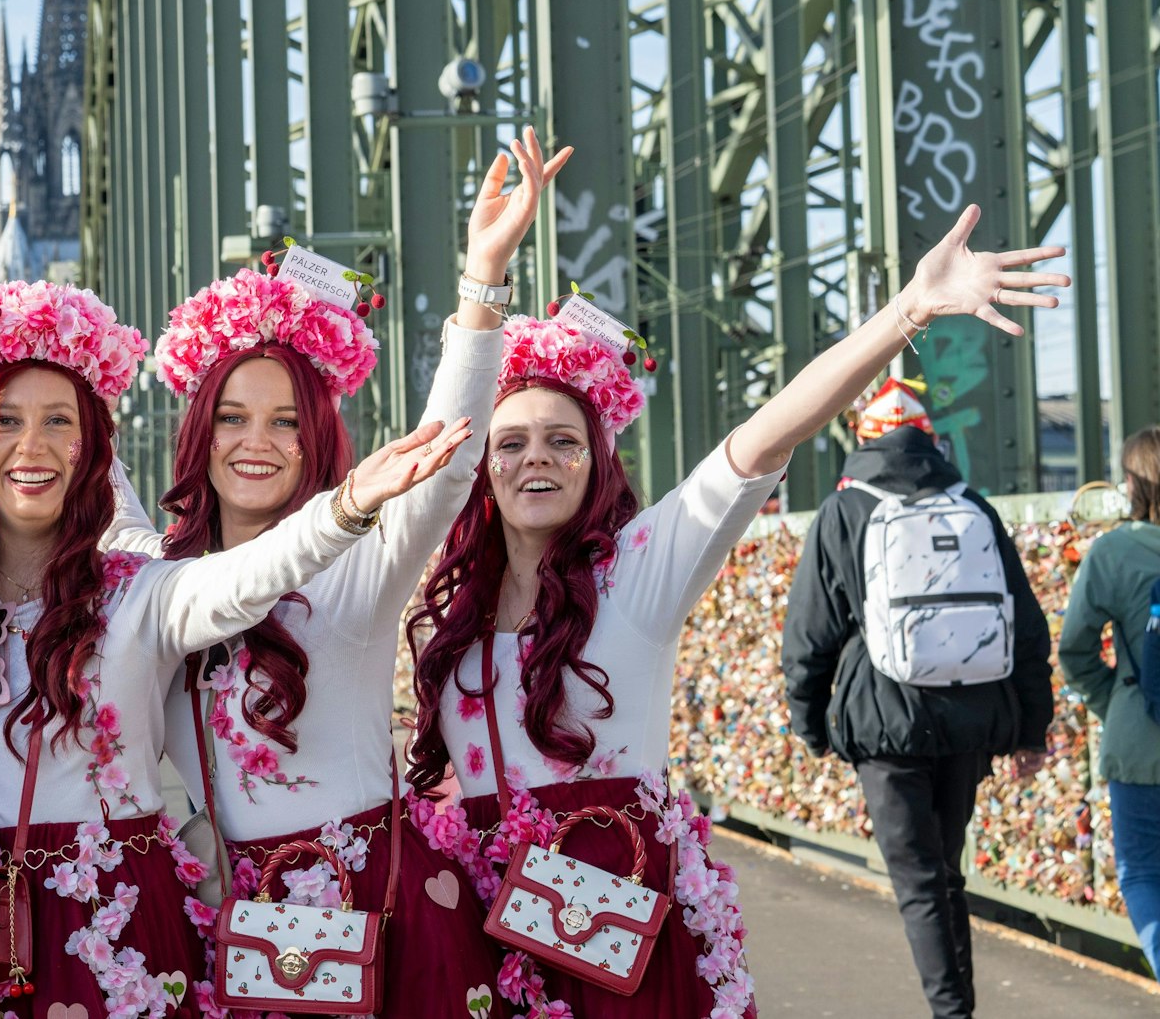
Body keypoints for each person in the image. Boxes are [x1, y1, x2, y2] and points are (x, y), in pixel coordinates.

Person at [404, 204, 1067, 1018]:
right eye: (510, 443)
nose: (535, 456)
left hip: (619, 945)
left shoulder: (638, 573)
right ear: (482, 466)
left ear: (597, 461)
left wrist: (909, 311)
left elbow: (763, 438)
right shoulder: (456, 616)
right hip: (485, 945)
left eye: (563, 440)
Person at [0, 279, 473, 1017]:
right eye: (5, 420)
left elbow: (248, 578)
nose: (33, 442)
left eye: (58, 421)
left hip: (123, 928)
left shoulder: (144, 591)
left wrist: (348, 505)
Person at [103, 130, 567, 1016]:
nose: (257, 442)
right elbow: (83, 461)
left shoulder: (360, 560)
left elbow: (450, 456)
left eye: (286, 422)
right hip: (235, 927)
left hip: (385, 919)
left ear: (316, 439)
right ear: (199, 434)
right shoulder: (148, 583)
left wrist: (483, 281)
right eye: (233, 417)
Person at [782, 377, 1053, 1018]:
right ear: (931, 438)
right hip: (970, 717)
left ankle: (951, 1013)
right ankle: (957, 1007)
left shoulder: (844, 511)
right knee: (946, 871)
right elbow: (1025, 625)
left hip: (885, 723)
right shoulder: (974, 507)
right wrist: (1030, 729)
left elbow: (811, 635)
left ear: (863, 438)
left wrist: (810, 724)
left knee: (919, 880)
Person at [1060, 425, 1160, 979]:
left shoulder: (1115, 551)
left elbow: (1074, 651)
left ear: (1132, 484)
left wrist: (1119, 703)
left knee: (1144, 874)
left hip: (1138, 745)